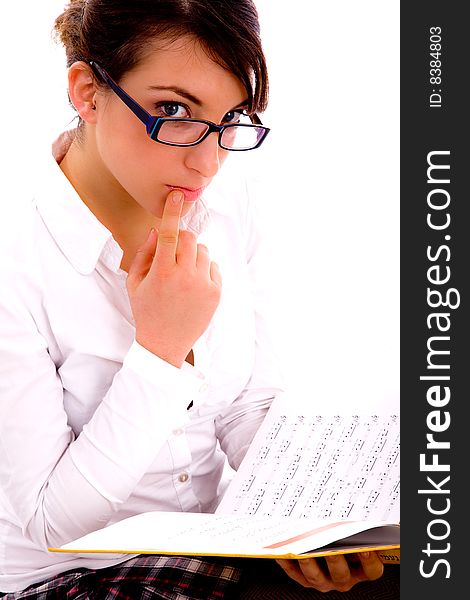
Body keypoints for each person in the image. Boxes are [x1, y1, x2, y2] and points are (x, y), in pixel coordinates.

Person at [0, 0, 399, 598]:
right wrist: (161, 351)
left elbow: (246, 407)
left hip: (212, 541)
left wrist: (314, 523)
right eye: (173, 111)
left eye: (229, 118)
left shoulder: (231, 205)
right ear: (86, 90)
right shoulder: (16, 259)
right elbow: (54, 525)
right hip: (65, 576)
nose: (206, 160)